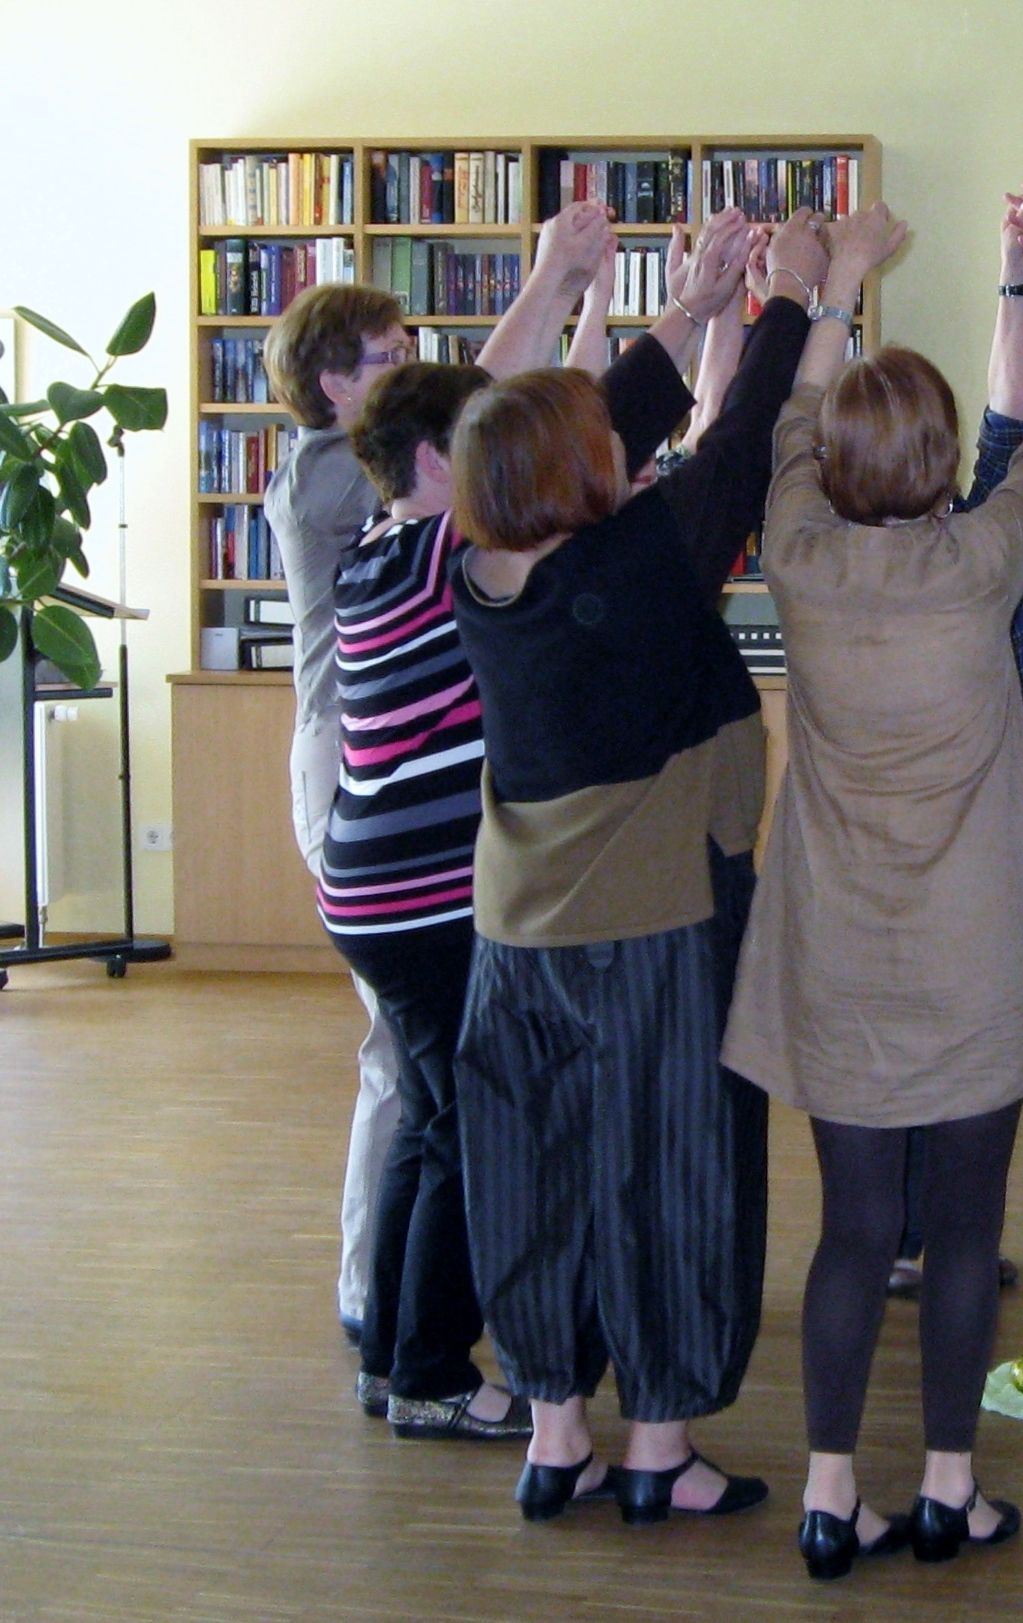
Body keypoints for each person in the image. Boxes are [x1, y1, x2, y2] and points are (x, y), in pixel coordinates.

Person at [719, 203, 1023, 1584]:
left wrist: (841, 286)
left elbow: (786, 424)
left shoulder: (798, 555)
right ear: (940, 464)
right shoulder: (982, 562)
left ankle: (830, 1497)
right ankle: (947, 1488)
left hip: (839, 952)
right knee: (966, 1232)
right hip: (976, 950)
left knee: (853, 1230)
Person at [448, 203, 799, 1526]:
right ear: (581, 475)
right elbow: (740, 443)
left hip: (513, 939)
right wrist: (784, 302)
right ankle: (659, 1444)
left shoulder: (476, 570)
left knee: (530, 1173)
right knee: (676, 1166)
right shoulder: (642, 560)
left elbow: (577, 435)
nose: (619, 440)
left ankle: (555, 1432)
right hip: (652, 929)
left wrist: (696, 305)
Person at [319, 201, 627, 1440]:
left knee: (429, 1115)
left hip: (369, 891)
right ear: (439, 464)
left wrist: (566, 289)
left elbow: (497, 399)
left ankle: (391, 1353)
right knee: (462, 1131)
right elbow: (514, 403)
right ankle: (434, 1372)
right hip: (420, 900)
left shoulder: (375, 548)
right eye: (471, 444)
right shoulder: (440, 553)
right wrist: (555, 282)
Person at [886, 194, 1023, 1303]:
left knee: (910, 1034)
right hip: (971, 835)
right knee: (967, 1037)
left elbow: (1015, 431)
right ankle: (937, 1237)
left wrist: (1018, 275)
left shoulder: (826, 562)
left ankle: (906, 1235)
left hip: (901, 846)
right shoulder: (979, 556)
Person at [262, 280, 411, 1347]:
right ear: (334, 384)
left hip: (389, 761)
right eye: (389, 357)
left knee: (423, 1045)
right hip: (343, 764)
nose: (412, 366)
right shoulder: (324, 471)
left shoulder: (369, 459)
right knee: (396, 1043)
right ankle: (368, 1291)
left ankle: (419, 1270)